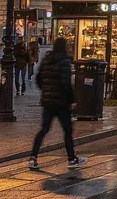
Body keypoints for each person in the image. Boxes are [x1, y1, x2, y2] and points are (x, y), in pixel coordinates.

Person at [30, 37, 86, 171]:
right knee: (67, 131)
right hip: (61, 102)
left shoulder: (47, 60)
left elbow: (38, 77)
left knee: (44, 129)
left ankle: (33, 157)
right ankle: (71, 158)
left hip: (47, 101)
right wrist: (72, 99)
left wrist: (45, 89)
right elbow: (66, 83)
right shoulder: (64, 61)